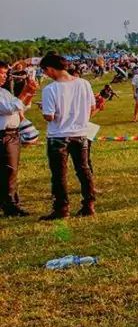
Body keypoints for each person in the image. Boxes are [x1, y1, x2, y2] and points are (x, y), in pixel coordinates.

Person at [38, 53, 99, 220]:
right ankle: (89, 204)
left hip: (58, 135)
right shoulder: (84, 84)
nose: (46, 74)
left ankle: (62, 208)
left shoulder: (50, 89)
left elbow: (49, 116)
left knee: (59, 174)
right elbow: (92, 107)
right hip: (80, 134)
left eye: (45, 71)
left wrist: (43, 110)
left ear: (50, 69)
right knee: (84, 169)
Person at [0, 61, 37, 217]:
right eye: (1, 73)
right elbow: (9, 108)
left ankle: (10, 202)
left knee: (10, 171)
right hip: (4, 136)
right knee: (9, 170)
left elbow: (20, 107)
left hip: (12, 135)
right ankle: (10, 206)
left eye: (4, 73)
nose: (4, 77)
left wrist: (29, 94)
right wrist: (24, 93)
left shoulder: (3, 92)